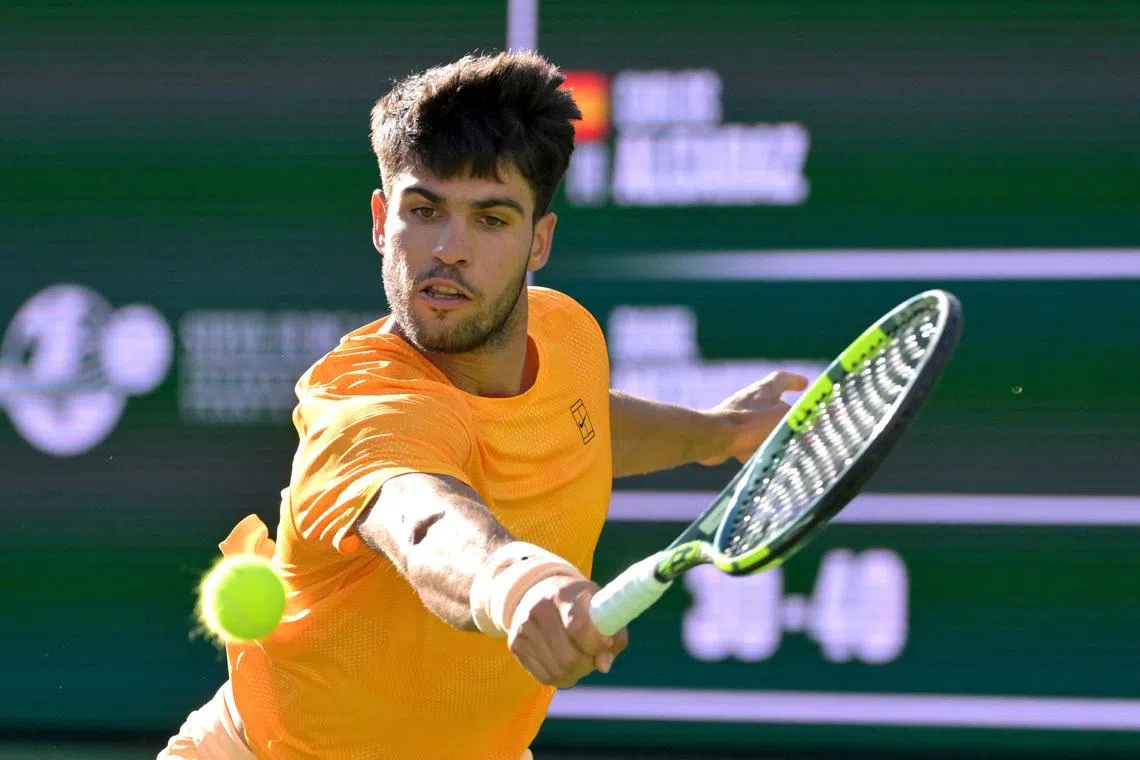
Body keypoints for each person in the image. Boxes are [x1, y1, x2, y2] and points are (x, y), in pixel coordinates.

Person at [159, 50, 807, 760]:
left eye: (492, 219)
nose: (449, 250)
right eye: (423, 211)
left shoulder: (567, 337)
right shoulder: (362, 404)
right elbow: (423, 520)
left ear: (539, 241)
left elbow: (582, 421)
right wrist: (517, 582)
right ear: (382, 221)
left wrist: (716, 432)